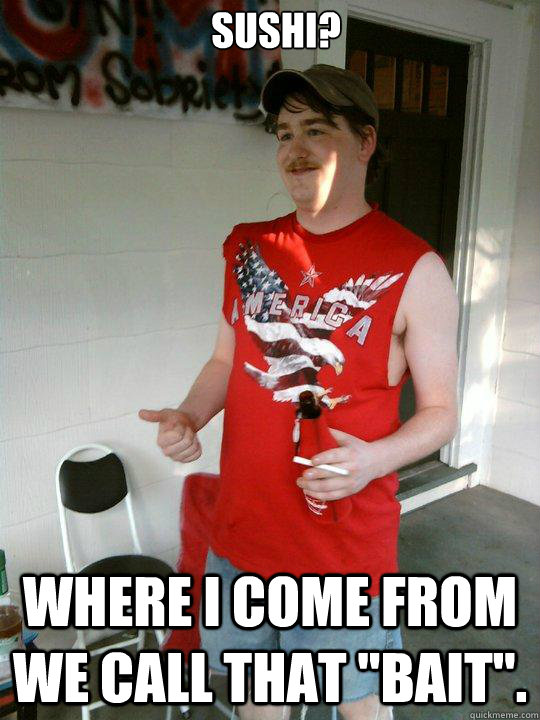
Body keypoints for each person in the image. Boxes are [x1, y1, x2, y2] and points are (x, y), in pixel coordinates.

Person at [139, 64, 458, 720]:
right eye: (284, 134)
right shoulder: (249, 248)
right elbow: (226, 358)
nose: (295, 149)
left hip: (341, 552)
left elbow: (442, 413)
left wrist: (373, 460)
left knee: (359, 704)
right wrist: (189, 414)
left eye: (317, 129)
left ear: (365, 142)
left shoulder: (416, 267)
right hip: (241, 536)